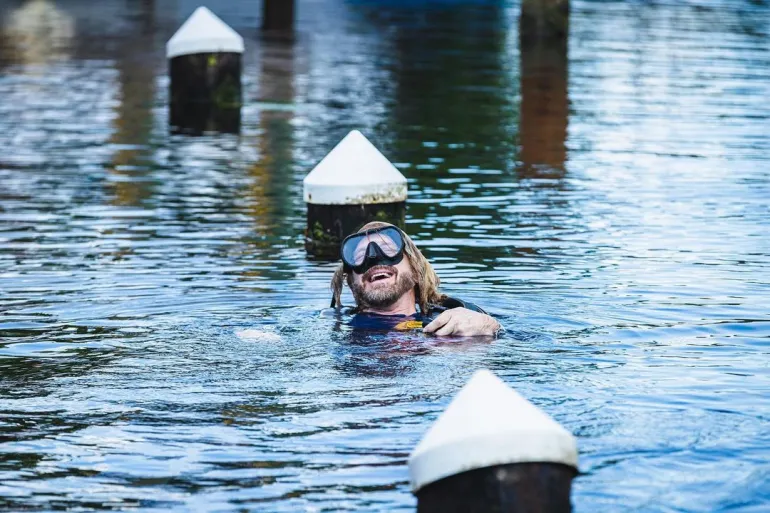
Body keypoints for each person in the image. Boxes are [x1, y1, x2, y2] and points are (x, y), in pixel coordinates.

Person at [330, 221, 502, 337]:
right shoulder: (336, 323)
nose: (374, 258)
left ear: (415, 270)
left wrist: (489, 325)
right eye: (360, 256)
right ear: (351, 282)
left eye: (389, 250)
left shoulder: (453, 319)